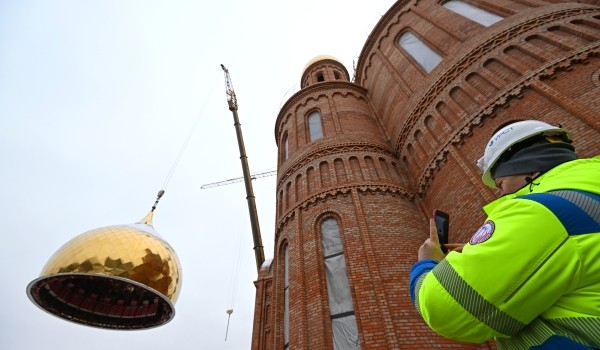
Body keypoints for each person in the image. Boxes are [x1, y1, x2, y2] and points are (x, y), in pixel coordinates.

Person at [409, 120, 600, 349]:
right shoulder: (585, 189)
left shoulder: (540, 213)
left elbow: (447, 309)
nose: (500, 194)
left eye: (501, 183)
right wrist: (487, 254)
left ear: (530, 169)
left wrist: (427, 264)